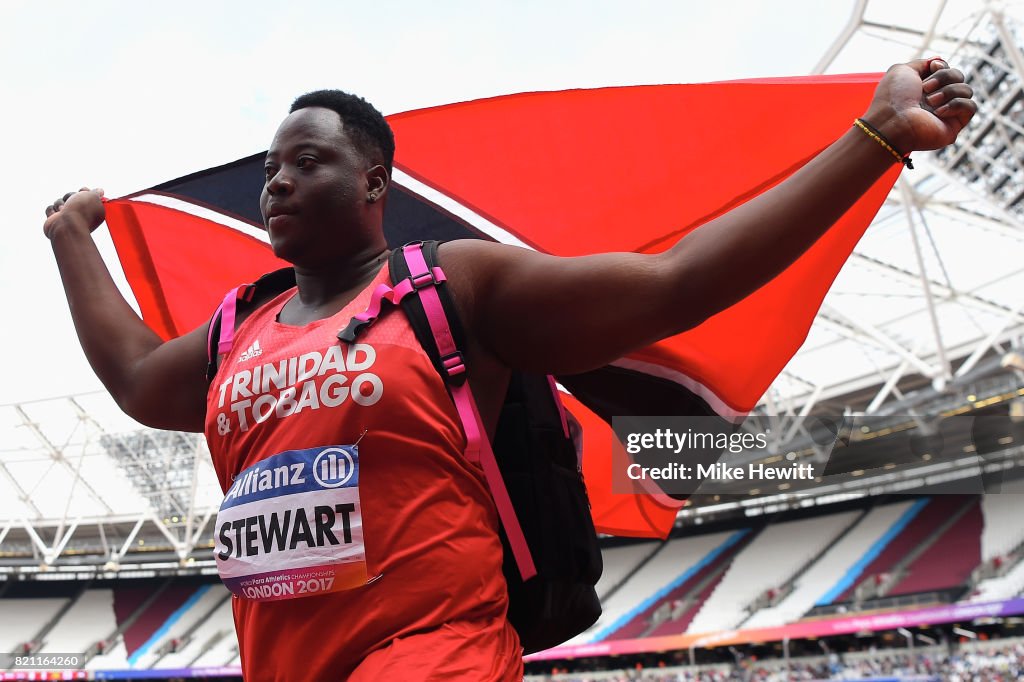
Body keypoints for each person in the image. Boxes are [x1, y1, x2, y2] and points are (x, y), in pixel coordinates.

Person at [43, 58, 975, 681]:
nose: (276, 182)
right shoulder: (239, 326)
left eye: (308, 161)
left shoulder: (451, 286)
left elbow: (675, 282)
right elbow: (134, 378)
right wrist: (71, 238)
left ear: (374, 184)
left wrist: (878, 137)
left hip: (434, 654)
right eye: (271, 168)